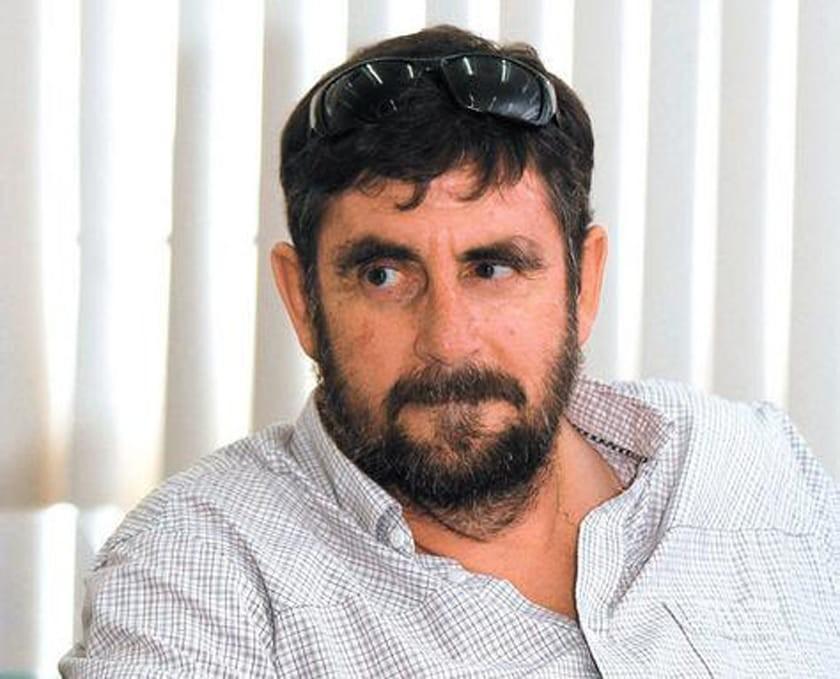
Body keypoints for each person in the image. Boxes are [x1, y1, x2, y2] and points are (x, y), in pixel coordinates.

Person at [61, 25, 840, 677]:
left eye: (493, 267)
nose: (448, 339)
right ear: (302, 300)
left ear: (585, 283)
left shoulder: (753, 465)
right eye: (384, 274)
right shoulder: (199, 571)